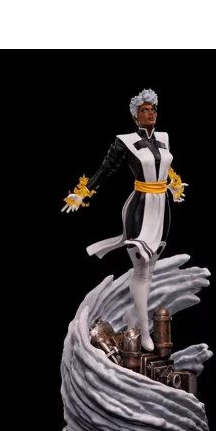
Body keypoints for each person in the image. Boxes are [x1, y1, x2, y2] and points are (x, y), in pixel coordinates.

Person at [62, 88, 188, 351]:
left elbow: (165, 165)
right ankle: (143, 328)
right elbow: (105, 169)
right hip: (140, 207)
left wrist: (174, 185)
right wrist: (82, 193)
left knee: (150, 269)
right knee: (141, 268)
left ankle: (135, 315)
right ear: (135, 116)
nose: (151, 113)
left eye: (153, 108)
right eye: (145, 110)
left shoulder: (163, 138)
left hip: (162, 208)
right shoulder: (126, 141)